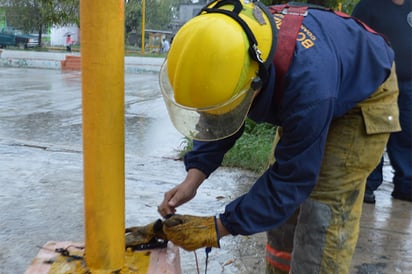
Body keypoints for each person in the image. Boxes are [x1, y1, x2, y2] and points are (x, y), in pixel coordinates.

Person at [126, 1, 399, 273]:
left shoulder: (307, 87)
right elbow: (222, 112)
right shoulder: (225, 38)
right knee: (283, 217)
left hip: (365, 93)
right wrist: (193, 177)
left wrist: (218, 227)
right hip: (323, 75)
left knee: (321, 211)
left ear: (256, 82)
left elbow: (292, 179)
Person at [352, 0, 412, 203]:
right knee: (373, 131)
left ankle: (406, 185)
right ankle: (367, 183)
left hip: (408, 83)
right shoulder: (368, 6)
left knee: (408, 134)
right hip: (377, 80)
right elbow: (354, 39)